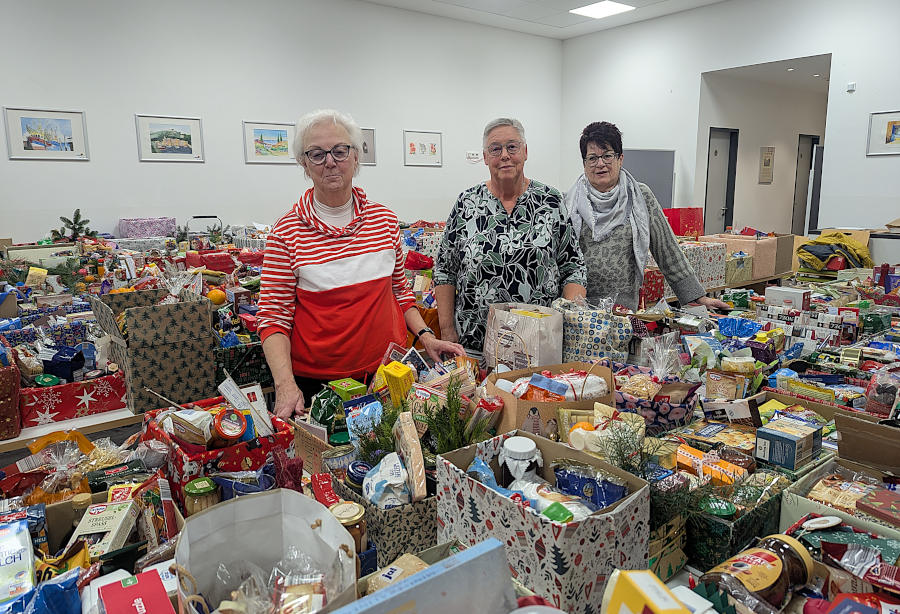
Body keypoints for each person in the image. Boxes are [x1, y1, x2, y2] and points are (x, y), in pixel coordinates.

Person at [257, 109, 465, 419]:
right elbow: (273, 318)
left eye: (340, 151)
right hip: (320, 387)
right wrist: (285, 384)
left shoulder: (383, 220)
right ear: (304, 162)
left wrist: (426, 337)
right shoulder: (286, 233)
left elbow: (400, 292)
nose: (330, 161)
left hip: (388, 375)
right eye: (317, 154)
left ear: (356, 156)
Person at [434, 118, 587, 353]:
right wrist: (446, 330)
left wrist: (566, 323)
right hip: (474, 345)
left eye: (512, 147)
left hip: (539, 347)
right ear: (485, 157)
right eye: (495, 149)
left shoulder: (550, 201)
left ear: (525, 152)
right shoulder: (467, 203)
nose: (504, 155)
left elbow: (573, 267)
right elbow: (445, 270)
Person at [564, 121, 729, 311]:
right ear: (584, 163)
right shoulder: (570, 202)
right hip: (579, 309)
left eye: (607, 155)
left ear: (620, 158)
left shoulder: (640, 196)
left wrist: (697, 297)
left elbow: (667, 249)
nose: (600, 164)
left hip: (623, 311)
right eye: (592, 158)